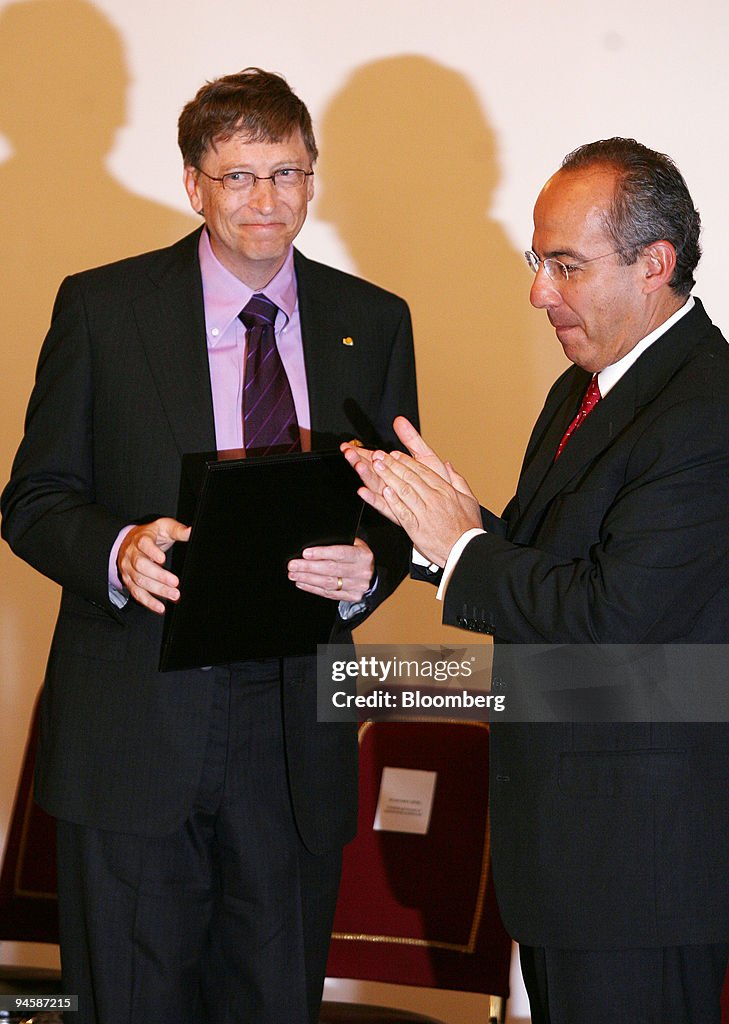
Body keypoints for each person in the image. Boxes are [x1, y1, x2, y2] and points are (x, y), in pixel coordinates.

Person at [1, 68, 418, 1024]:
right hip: (134, 731)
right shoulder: (102, 310)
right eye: (238, 177)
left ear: (313, 180)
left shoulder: (372, 320)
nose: (265, 200)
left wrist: (371, 570)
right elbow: (33, 498)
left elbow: (395, 508)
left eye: (287, 173)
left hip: (292, 731)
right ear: (194, 184)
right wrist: (118, 548)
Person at [343, 138, 729, 1024]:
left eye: (564, 265)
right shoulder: (587, 386)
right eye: (536, 260)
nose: (537, 292)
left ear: (653, 266)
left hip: (643, 875)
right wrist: (427, 526)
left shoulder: (705, 409)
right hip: (572, 861)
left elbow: (610, 616)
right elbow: (545, 561)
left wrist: (467, 547)